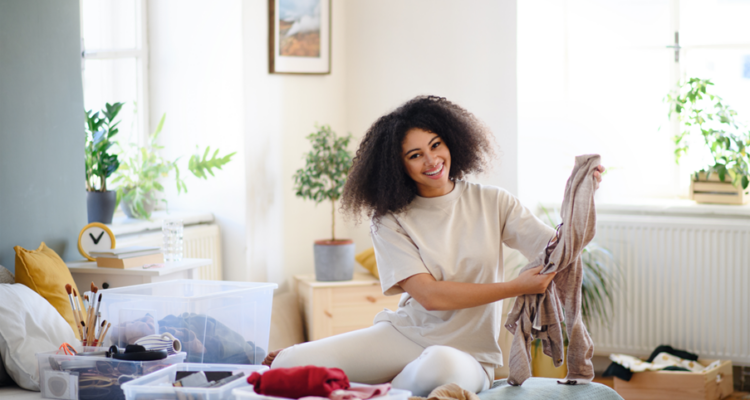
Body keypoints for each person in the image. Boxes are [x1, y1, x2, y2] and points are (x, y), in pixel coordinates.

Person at [265, 96, 604, 396]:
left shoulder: (493, 202)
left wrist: (584, 196)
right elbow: (429, 296)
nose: (431, 160)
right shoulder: (389, 220)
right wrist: (515, 287)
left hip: (468, 355)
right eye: (415, 155)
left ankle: (383, 389)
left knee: (439, 368)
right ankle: (381, 384)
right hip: (406, 335)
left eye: (436, 144)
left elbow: (557, 251)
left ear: (452, 141)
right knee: (289, 361)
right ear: (398, 167)